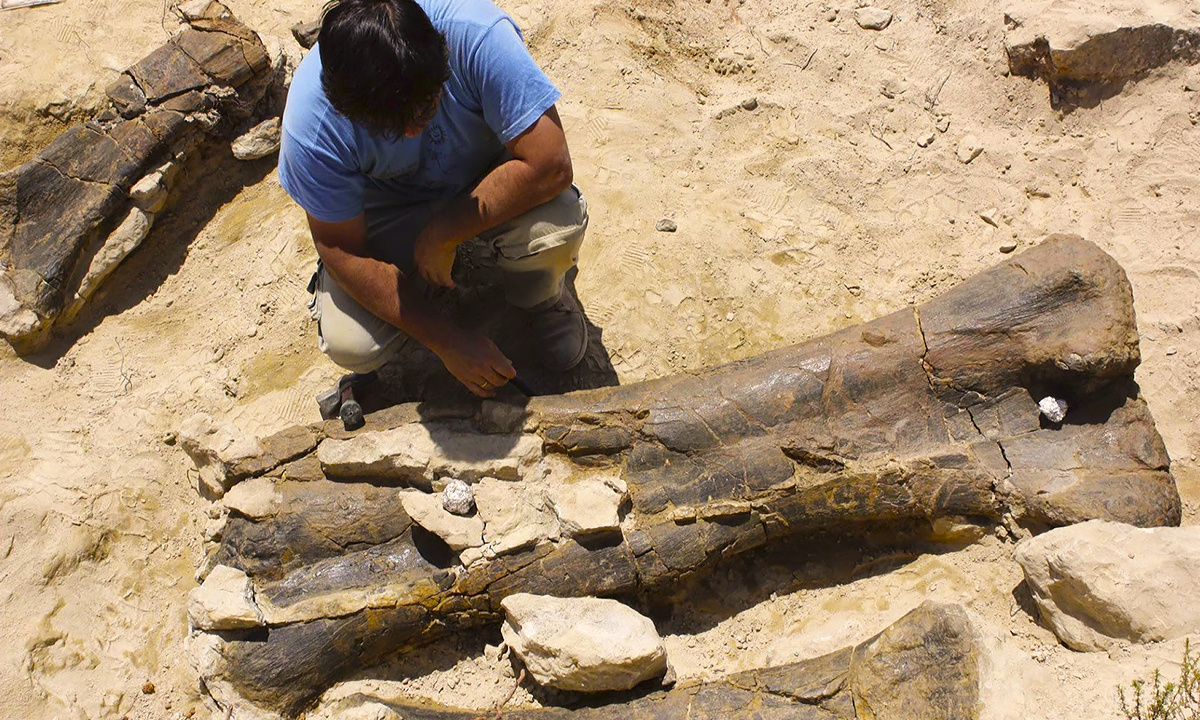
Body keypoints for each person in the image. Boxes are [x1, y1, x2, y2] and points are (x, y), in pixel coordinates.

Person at [278, 0, 589, 402]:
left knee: (556, 224)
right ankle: (425, 300)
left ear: (441, 55)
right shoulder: (312, 125)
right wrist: (447, 341)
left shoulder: (477, 35)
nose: (411, 133)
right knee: (352, 343)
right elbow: (339, 248)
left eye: (426, 107)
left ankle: (540, 296)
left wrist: (444, 233)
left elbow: (551, 164)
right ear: (344, 108)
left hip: (484, 175)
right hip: (388, 215)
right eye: (389, 127)